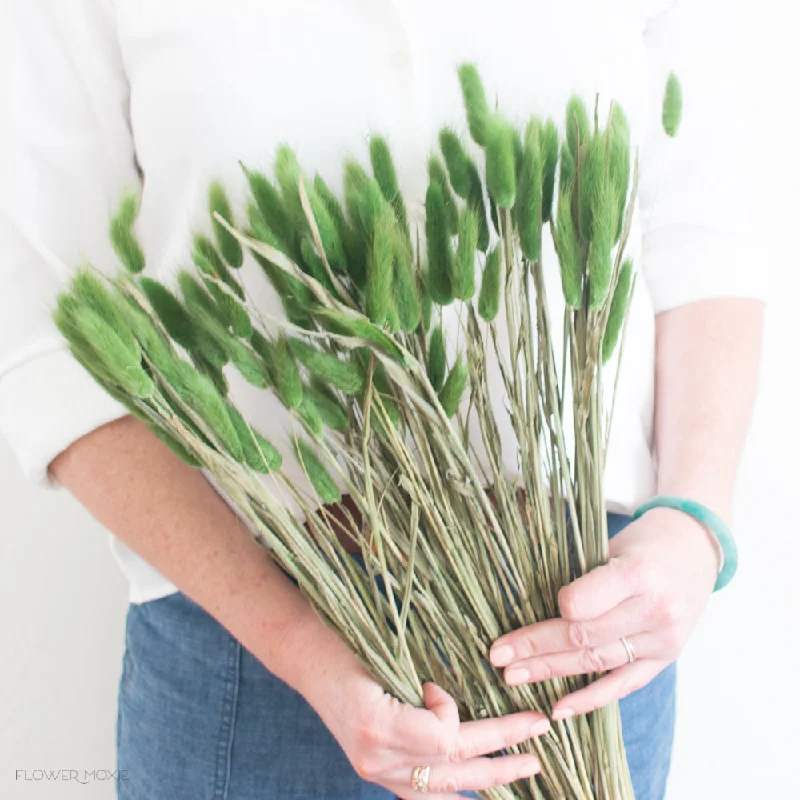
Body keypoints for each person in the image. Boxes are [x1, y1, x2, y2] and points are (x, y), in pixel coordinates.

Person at [0, 1, 765, 799]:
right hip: (255, 633)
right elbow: (48, 334)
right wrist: (301, 648)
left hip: (585, 631)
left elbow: (701, 233)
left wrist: (692, 526)